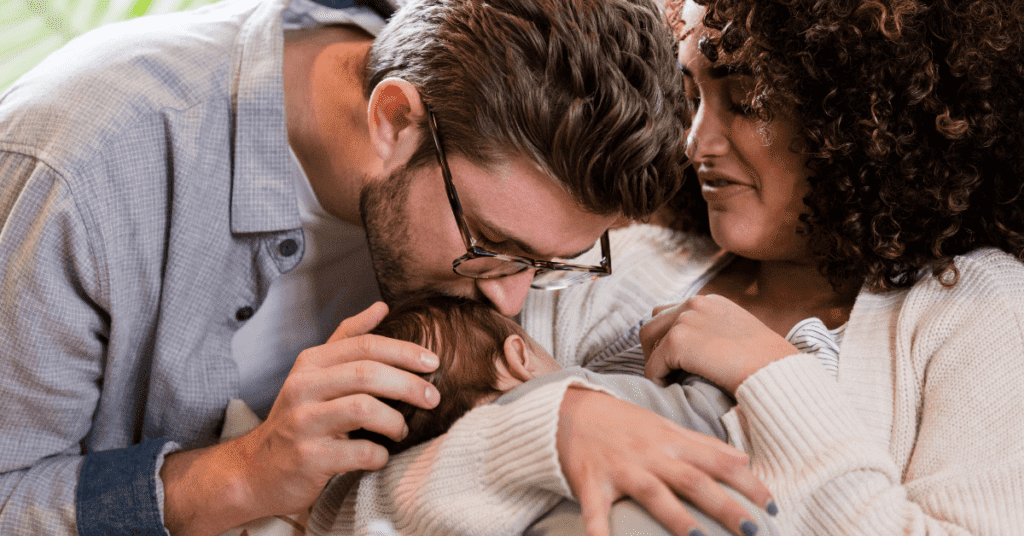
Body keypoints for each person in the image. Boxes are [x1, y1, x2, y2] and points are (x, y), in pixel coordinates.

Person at [0, 0, 772, 534]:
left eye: (545, 264)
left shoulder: (454, 89)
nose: (509, 297)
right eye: (494, 243)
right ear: (395, 120)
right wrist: (245, 472)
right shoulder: (81, 167)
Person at [517, 0, 1024, 534]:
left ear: (866, 115)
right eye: (691, 98)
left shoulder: (980, 309)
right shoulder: (630, 262)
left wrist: (769, 375)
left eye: (746, 100)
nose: (695, 143)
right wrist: (561, 422)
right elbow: (438, 455)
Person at [316, 292, 780, 536]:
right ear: (519, 356)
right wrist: (694, 371)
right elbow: (706, 421)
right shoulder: (576, 398)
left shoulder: (402, 482)